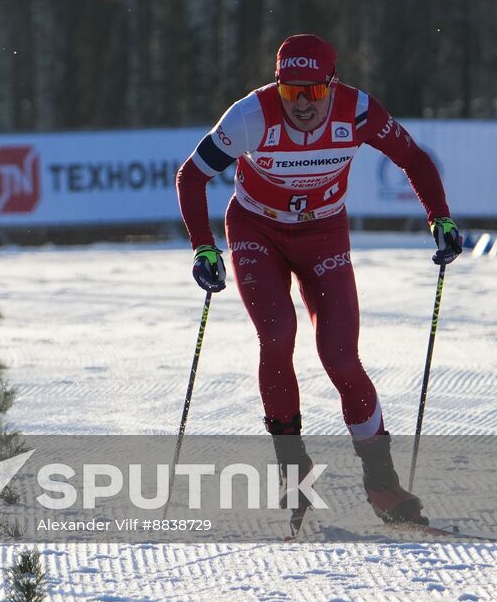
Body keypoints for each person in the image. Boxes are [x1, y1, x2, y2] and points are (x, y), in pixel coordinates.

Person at [175, 34, 462, 526]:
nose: (303, 104)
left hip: (324, 233)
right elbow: (192, 176)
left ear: (333, 84)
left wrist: (440, 218)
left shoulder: (359, 110)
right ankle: (293, 471)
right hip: (256, 230)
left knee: (341, 358)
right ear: (277, 86)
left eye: (313, 92)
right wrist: (204, 246)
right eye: (291, 93)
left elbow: (413, 159)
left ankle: (382, 483)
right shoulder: (251, 116)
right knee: (277, 336)